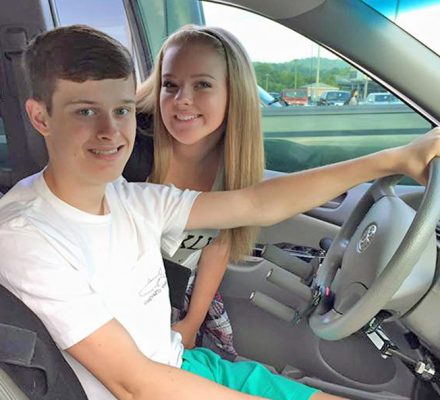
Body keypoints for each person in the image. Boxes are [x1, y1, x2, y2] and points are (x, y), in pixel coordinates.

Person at [1, 24, 439, 400]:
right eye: (85, 111)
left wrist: (394, 159)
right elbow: (134, 383)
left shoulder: (129, 198)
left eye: (122, 110)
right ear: (40, 117)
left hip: (179, 363)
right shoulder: (25, 234)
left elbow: (255, 203)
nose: (111, 132)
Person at [131, 25, 264, 358]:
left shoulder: (234, 162)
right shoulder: (133, 147)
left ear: (234, 92)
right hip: (123, 290)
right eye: (170, 85)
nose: (182, 100)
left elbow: (219, 244)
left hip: (178, 289)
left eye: (202, 84)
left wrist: (191, 323)